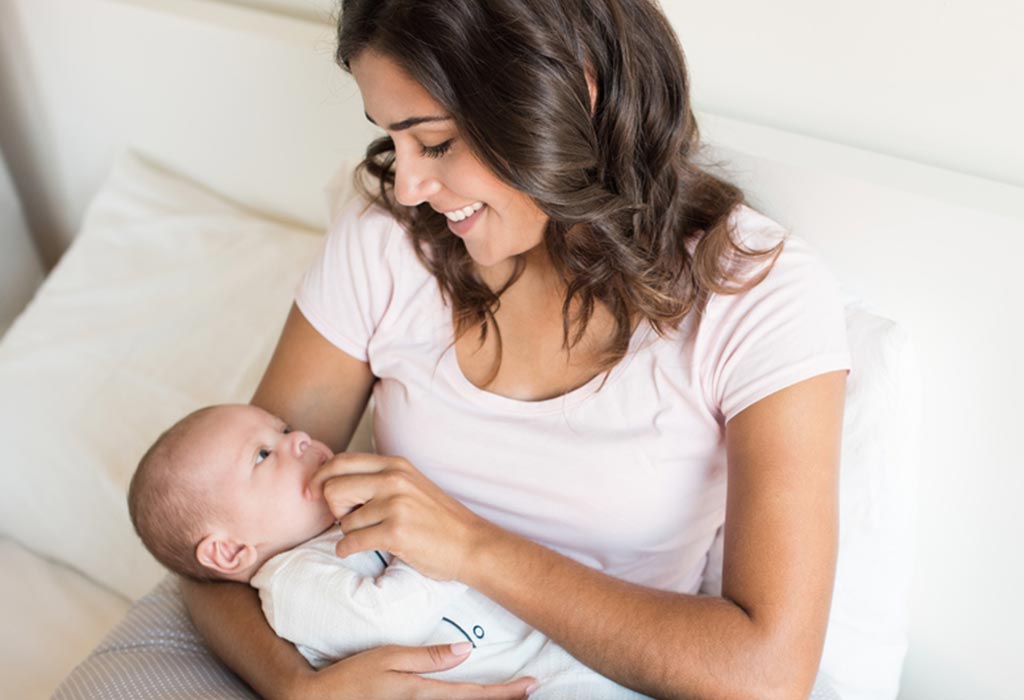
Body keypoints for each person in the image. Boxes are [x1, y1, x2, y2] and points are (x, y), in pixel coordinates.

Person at [181, 1, 852, 699]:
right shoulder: (387, 243)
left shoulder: (753, 293)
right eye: (394, 140)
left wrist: (473, 548)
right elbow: (214, 538)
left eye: (435, 143)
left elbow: (767, 675)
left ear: (568, 95)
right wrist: (301, 690)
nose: (408, 186)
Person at [127, 403, 649, 698]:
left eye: (283, 429)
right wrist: (429, 539)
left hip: (546, 653)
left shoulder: (335, 528)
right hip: (514, 685)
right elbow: (388, 620)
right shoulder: (292, 587)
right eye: (264, 454)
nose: (301, 437)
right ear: (228, 552)